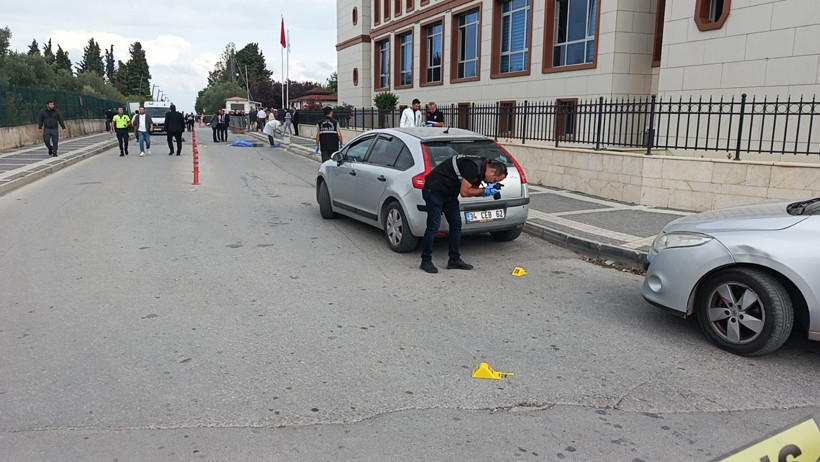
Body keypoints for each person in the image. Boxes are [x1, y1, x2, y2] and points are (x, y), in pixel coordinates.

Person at [419, 155, 508, 273]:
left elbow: (472, 187)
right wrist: (484, 191)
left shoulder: (482, 169)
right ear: (492, 171)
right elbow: (465, 192)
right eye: (495, 180)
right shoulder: (473, 166)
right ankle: (425, 261)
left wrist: (484, 191)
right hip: (434, 191)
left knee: (456, 225)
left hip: (450, 194)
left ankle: (454, 260)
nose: (492, 182)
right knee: (433, 226)